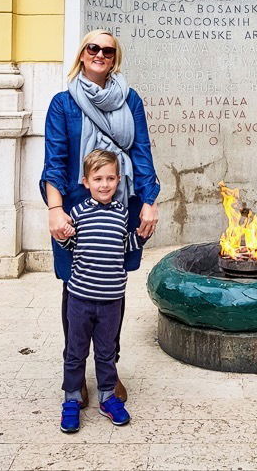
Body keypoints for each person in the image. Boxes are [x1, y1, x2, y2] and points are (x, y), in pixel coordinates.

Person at [40, 29, 160, 407]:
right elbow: (54, 161)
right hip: (76, 209)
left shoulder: (131, 99)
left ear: (115, 57)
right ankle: (74, 377)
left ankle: (108, 370)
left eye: (108, 50)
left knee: (112, 285)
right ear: (82, 54)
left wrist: (150, 200)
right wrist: (55, 210)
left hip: (122, 203)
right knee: (75, 288)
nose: (100, 54)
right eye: (93, 47)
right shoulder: (63, 104)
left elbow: (141, 151)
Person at [56, 149, 134, 433]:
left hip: (111, 300)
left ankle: (107, 396)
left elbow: (125, 248)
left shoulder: (122, 214)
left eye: (110, 178)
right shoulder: (78, 212)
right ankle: (72, 399)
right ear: (86, 182)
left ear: (118, 180)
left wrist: (142, 237)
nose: (104, 184)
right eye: (98, 178)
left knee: (106, 351)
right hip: (80, 298)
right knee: (75, 352)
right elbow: (71, 246)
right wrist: (63, 237)